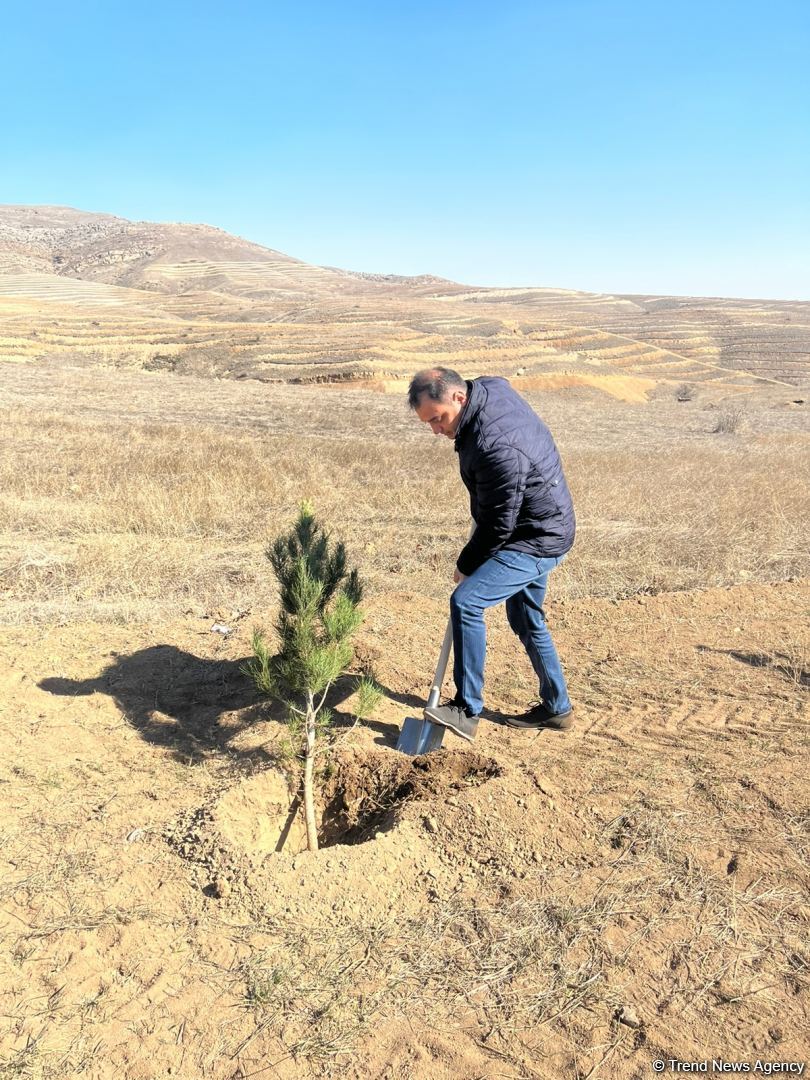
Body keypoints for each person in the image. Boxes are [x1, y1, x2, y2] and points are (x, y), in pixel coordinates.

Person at [408, 367, 575, 741]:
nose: (435, 430)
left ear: (459, 397)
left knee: (466, 601)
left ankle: (466, 710)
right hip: (541, 519)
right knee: (525, 617)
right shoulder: (487, 390)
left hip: (535, 536)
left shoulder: (494, 445)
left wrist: (467, 564)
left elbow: (499, 525)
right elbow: (501, 507)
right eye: (428, 422)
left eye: (437, 419)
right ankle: (557, 708)